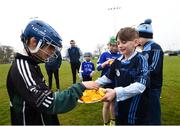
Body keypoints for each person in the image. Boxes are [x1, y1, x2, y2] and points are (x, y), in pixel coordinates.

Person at [6, 20, 98, 125]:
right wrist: (80, 87)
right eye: (50, 46)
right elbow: (48, 102)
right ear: (33, 42)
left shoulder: (31, 64)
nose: (53, 51)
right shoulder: (23, 67)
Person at [86, 27, 150, 124]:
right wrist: (93, 84)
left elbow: (140, 85)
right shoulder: (117, 61)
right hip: (120, 107)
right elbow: (107, 77)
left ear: (136, 42)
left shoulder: (141, 59)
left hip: (136, 109)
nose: (119, 46)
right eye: (118, 43)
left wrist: (116, 92)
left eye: (124, 42)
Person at [137, 19, 164, 124]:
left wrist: (139, 74)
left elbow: (154, 68)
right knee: (145, 111)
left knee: (153, 113)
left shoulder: (155, 48)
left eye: (138, 37)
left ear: (145, 36)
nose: (137, 40)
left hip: (153, 86)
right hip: (144, 85)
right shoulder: (144, 49)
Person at [96, 36, 121, 125]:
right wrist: (106, 63)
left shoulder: (120, 54)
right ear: (109, 45)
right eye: (112, 45)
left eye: (116, 45)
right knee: (106, 103)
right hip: (106, 82)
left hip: (116, 82)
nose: (114, 48)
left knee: (113, 103)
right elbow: (98, 67)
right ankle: (106, 123)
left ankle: (113, 122)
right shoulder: (104, 54)